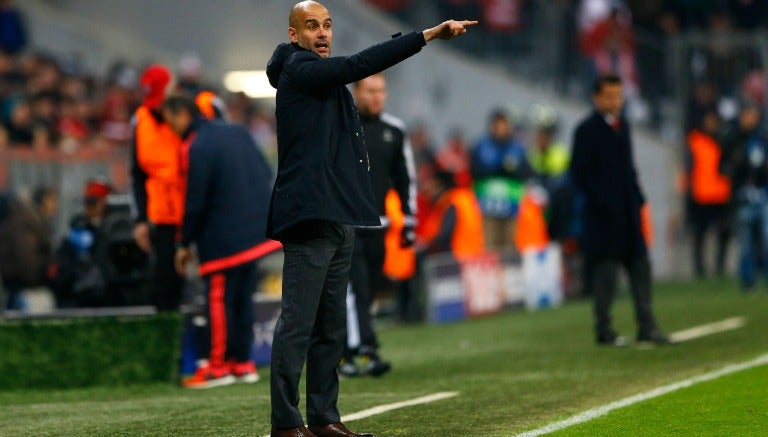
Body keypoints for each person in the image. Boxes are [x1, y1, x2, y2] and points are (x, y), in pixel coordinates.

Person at [265, 2, 476, 436]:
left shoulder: (318, 78)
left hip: (338, 215)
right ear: (294, 36)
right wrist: (426, 36)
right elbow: (361, 64)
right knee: (298, 323)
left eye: (327, 25)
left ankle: (324, 418)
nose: (322, 33)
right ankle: (286, 424)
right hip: (310, 214)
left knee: (331, 326)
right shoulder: (299, 71)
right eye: (311, 26)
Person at [161, 95, 281, 389]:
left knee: (219, 299)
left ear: (181, 114)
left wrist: (184, 242)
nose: (171, 129)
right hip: (255, 232)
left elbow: (195, 200)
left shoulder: (196, 145)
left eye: (170, 121)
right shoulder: (239, 131)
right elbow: (265, 172)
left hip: (222, 239)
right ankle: (242, 363)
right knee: (243, 299)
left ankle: (217, 366)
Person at [569, 74, 669, 346]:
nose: (616, 102)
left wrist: (638, 199)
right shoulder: (586, 130)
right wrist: (601, 204)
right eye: (610, 96)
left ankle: (647, 326)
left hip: (628, 214)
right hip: (603, 219)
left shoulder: (622, 126)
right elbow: (579, 174)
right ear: (597, 98)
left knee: (641, 268)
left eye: (619, 96)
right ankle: (604, 330)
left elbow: (629, 169)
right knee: (606, 276)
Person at [338, 73, 416, 379]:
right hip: (347, 223)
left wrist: (409, 222)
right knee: (353, 290)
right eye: (370, 91)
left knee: (368, 289)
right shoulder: (342, 126)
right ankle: (361, 350)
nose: (376, 97)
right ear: (356, 92)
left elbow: (405, 178)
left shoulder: (394, 131)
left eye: (381, 91)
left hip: (380, 225)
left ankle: (349, 351)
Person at [130, 64, 225, 312]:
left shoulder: (205, 108)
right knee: (165, 287)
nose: (158, 108)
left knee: (215, 281)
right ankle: (169, 343)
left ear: (174, 89)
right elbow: (138, 174)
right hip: (166, 220)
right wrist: (140, 219)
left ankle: (218, 344)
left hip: (205, 213)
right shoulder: (141, 121)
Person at [471, 108, 534, 251]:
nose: (501, 129)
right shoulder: (482, 146)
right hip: (488, 205)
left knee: (510, 246)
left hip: (511, 205)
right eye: (498, 125)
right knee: (490, 245)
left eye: (504, 125)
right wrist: (501, 166)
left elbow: (525, 171)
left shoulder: (517, 148)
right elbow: (476, 170)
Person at [723, 103, 768, 290]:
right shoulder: (733, 138)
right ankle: (748, 281)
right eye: (747, 114)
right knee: (746, 244)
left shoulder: (763, 137)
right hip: (742, 199)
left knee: (766, 239)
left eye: (753, 114)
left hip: (763, 195)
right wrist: (736, 167)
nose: (750, 118)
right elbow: (723, 166)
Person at [684, 109, 731, 278]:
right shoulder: (695, 140)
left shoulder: (724, 139)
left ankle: (720, 267)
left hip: (720, 193)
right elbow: (688, 167)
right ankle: (700, 269)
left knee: (724, 232)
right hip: (701, 194)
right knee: (699, 235)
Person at [0, 186, 55, 311]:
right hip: (25, 289)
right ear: (42, 200)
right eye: (51, 201)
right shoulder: (27, 220)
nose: (54, 207)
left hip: (20, 286)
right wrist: (45, 275)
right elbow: (26, 258)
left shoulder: (27, 218)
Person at [417, 167, 484, 260]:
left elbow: (445, 235)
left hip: (457, 258)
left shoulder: (451, 202)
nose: (425, 188)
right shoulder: (464, 197)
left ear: (438, 184)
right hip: (472, 256)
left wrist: (425, 245)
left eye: (428, 182)